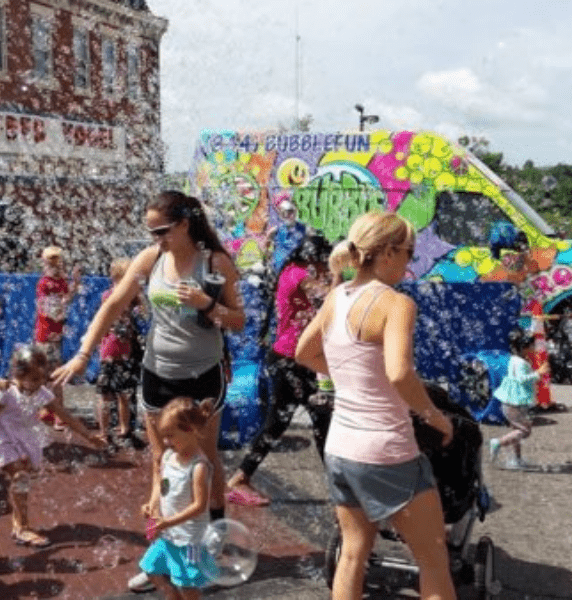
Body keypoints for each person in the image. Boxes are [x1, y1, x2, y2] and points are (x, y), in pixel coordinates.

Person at [52, 190, 244, 539]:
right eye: (151, 232)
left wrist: (207, 305)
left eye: (162, 231)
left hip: (204, 373)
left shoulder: (215, 263)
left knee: (206, 457)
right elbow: (112, 306)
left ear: (185, 224)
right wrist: (84, 354)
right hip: (159, 371)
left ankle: (215, 536)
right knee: (160, 460)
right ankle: (162, 549)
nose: (155, 239)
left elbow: (239, 320)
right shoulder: (151, 258)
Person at [295, 212, 456, 600]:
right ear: (386, 253)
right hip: (385, 450)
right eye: (409, 253)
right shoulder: (395, 304)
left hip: (341, 449)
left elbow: (304, 352)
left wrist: (353, 378)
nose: (410, 262)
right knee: (433, 558)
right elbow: (399, 373)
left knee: (352, 555)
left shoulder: (337, 297)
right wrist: (436, 418)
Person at [226, 235, 337, 506]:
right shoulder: (299, 274)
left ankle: (241, 477)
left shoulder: (290, 271)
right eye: (323, 263)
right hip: (293, 360)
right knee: (319, 419)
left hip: (293, 359)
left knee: (285, 422)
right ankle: (341, 491)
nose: (324, 270)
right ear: (314, 259)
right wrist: (336, 273)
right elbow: (331, 298)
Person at [0, 344, 104, 548]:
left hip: (26, 439)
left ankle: (19, 525)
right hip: (3, 439)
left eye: (42, 378)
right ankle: (23, 528)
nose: (39, 383)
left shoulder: (42, 393)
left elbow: (66, 416)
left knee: (22, 482)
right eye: (34, 379)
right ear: (18, 375)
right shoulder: (7, 394)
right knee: (20, 476)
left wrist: (90, 436)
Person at [138, 396, 216, 599]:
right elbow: (161, 485)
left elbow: (199, 506)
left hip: (189, 539)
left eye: (171, 436)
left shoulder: (198, 466)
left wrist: (168, 521)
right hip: (168, 534)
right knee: (151, 568)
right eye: (164, 436)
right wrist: (152, 504)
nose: (166, 442)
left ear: (190, 430)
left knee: (187, 585)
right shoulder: (168, 457)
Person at [95, 257, 146, 450]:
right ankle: (104, 433)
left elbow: (141, 315)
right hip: (110, 352)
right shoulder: (110, 296)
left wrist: (139, 299)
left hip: (126, 352)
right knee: (106, 395)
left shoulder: (133, 298)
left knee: (125, 394)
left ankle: (124, 430)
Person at [34, 245, 81, 430]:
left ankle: (54, 412)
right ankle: (51, 412)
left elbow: (65, 302)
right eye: (53, 263)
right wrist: (66, 299)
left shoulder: (60, 281)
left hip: (55, 335)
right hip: (45, 335)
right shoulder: (45, 283)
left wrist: (74, 285)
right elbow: (51, 309)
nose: (58, 267)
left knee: (54, 374)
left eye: (59, 263)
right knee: (48, 374)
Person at [490, 327, 549, 469]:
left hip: (510, 402)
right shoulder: (522, 363)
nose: (534, 350)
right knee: (524, 431)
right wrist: (538, 374)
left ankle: (516, 460)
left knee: (517, 431)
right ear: (524, 348)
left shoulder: (514, 360)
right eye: (531, 347)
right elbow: (522, 379)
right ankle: (498, 442)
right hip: (515, 404)